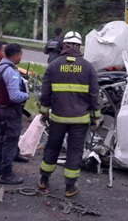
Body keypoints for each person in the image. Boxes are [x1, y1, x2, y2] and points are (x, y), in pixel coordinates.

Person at [37, 31, 101, 197]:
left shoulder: (53, 66)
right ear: (79, 47)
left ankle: (43, 180)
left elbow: (45, 94)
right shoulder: (88, 68)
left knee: (52, 147)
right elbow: (94, 95)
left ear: (63, 45)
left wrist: (44, 113)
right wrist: (96, 117)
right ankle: (70, 187)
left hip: (58, 118)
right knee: (75, 151)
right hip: (80, 120)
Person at [0, 43, 29, 185]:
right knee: (10, 142)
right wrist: (27, 94)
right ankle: (6, 174)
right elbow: (15, 96)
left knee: (2, 138)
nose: (21, 57)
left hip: (0, 108)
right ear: (16, 55)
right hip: (11, 111)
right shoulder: (11, 71)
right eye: (21, 55)